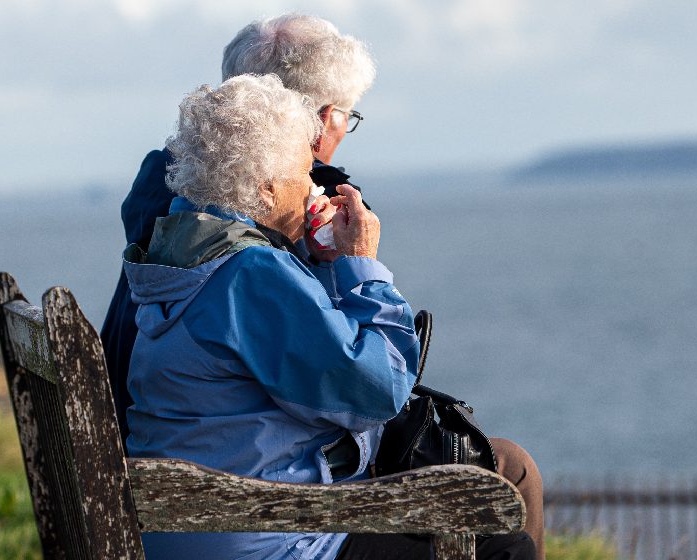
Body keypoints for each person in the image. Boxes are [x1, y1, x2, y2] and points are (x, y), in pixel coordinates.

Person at [123, 74, 536, 560]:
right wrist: (360, 263)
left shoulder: (184, 248)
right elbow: (378, 390)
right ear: (267, 186)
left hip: (191, 525)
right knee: (504, 548)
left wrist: (313, 259)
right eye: (305, 171)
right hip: (262, 535)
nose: (315, 185)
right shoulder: (250, 274)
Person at [101, 15, 375, 451]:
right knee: (503, 467)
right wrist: (360, 266)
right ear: (321, 121)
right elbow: (360, 387)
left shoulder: (168, 189)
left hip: (134, 432)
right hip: (228, 469)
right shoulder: (294, 215)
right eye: (348, 114)